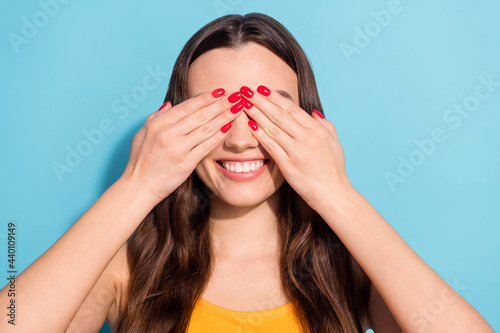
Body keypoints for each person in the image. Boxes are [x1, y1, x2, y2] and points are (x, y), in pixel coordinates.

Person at [0, 12, 493, 333]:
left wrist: (336, 193)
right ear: (174, 121)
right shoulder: (124, 267)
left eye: (269, 114)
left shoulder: (348, 268)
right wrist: (136, 185)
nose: (239, 139)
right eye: (213, 113)